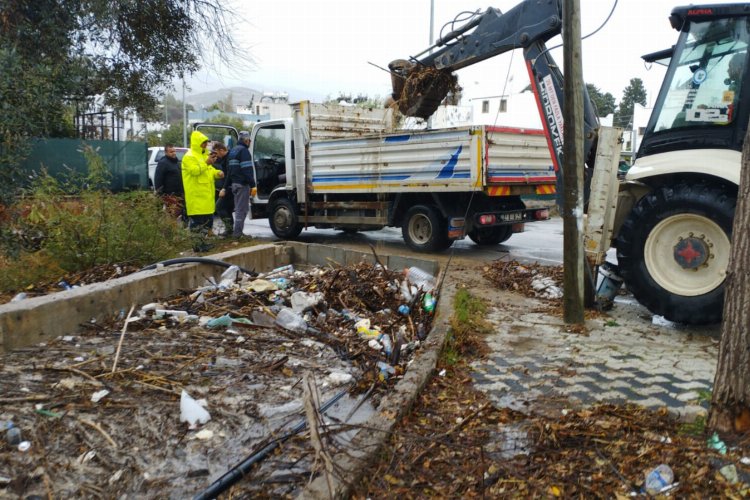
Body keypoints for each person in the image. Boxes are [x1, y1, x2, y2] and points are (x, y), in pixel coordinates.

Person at [181, 131, 224, 250]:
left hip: (206, 197)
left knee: (207, 222)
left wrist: (217, 173)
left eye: (206, 143)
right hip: (196, 196)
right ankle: (197, 245)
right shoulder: (189, 157)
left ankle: (203, 243)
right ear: (197, 143)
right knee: (197, 223)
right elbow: (195, 171)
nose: (205, 145)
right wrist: (206, 163)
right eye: (203, 143)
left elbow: (208, 171)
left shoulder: (204, 156)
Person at [226, 130, 255, 239]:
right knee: (241, 210)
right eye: (249, 140)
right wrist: (253, 184)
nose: (250, 142)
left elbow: (229, 171)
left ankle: (237, 233)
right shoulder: (244, 151)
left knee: (238, 209)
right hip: (242, 184)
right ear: (247, 140)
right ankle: (237, 234)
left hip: (234, 184)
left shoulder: (233, 151)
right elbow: (246, 170)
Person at [153, 144, 185, 221]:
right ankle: (171, 230)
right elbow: (158, 179)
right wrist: (160, 193)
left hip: (179, 193)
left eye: (174, 151)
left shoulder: (176, 162)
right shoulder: (163, 163)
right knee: (172, 214)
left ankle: (176, 229)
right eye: (171, 152)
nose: (173, 153)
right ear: (166, 152)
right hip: (170, 195)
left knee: (179, 213)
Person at [212, 142, 234, 235]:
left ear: (221, 150)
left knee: (219, 207)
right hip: (229, 186)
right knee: (228, 209)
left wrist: (224, 188)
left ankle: (229, 229)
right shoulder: (224, 159)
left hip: (229, 187)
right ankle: (230, 230)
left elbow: (229, 175)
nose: (216, 155)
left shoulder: (228, 159)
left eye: (217, 153)